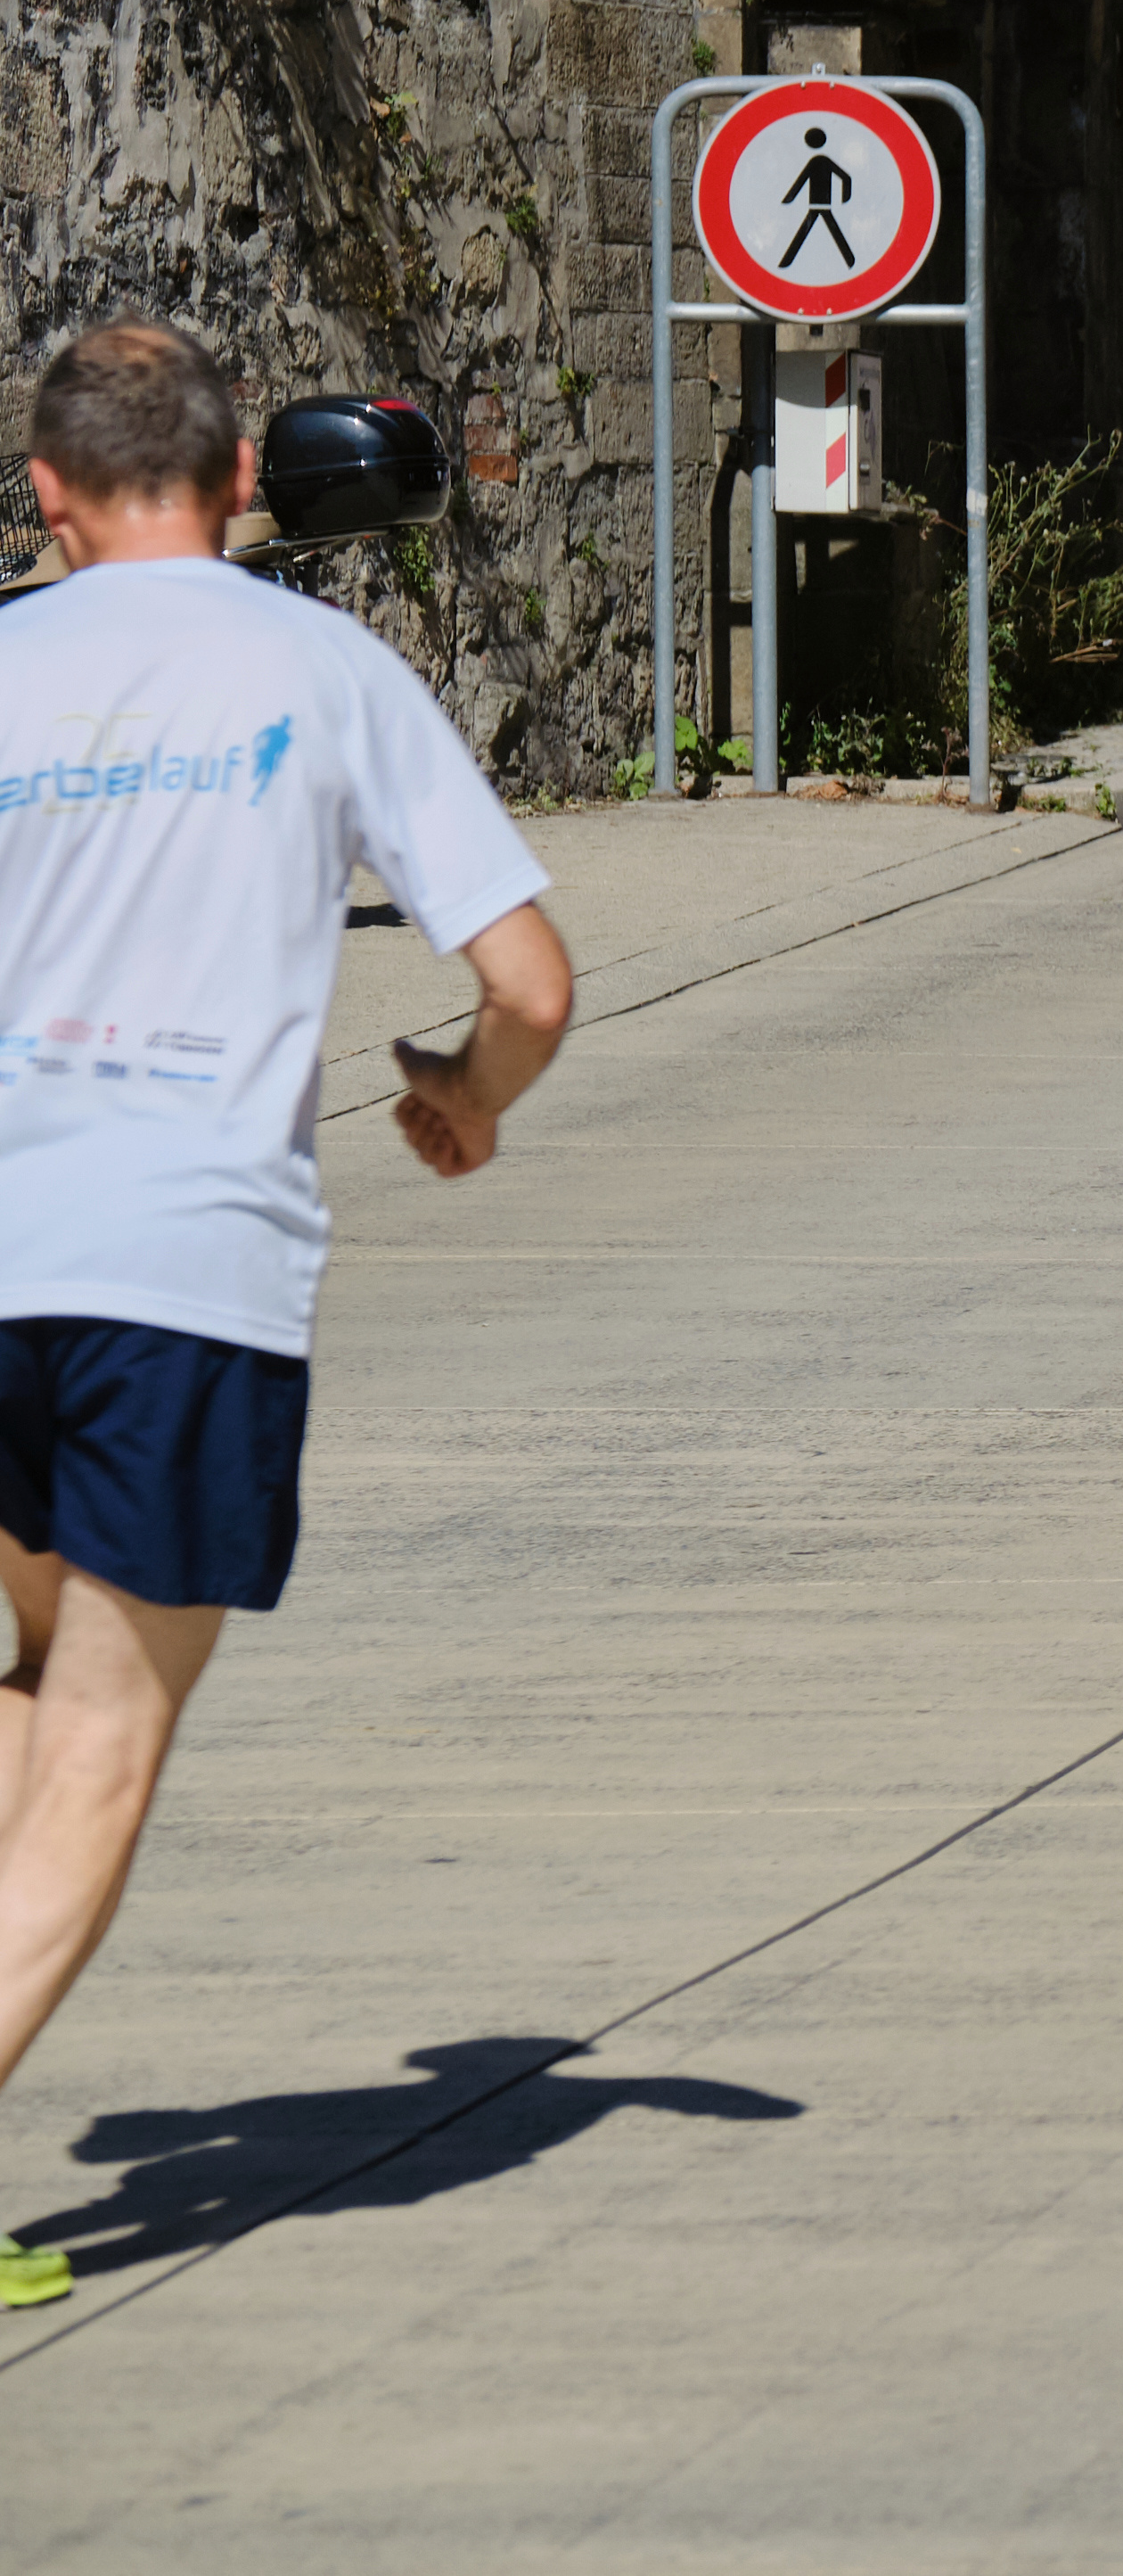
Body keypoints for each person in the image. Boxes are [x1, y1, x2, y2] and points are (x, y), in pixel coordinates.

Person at [0, 323, 574, 2308]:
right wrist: (465, 1098)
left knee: (37, 1667)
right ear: (243, 478)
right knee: (106, 1732)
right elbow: (530, 982)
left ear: (47, 493)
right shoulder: (323, 670)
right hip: (181, 1277)